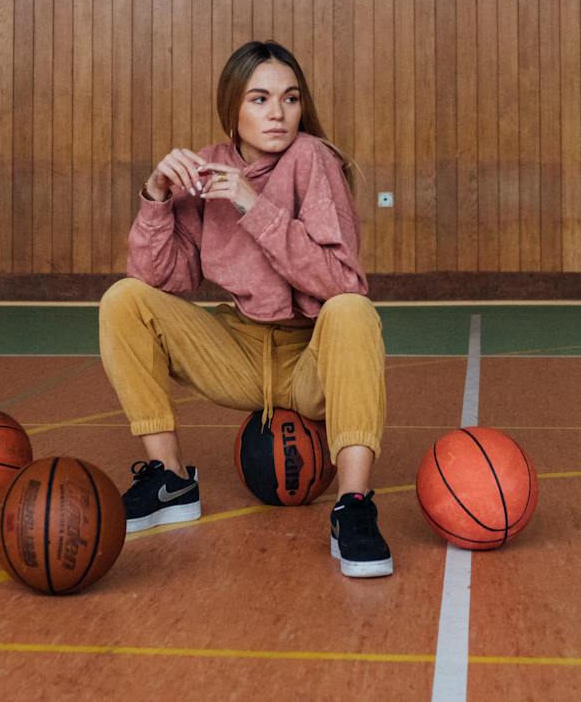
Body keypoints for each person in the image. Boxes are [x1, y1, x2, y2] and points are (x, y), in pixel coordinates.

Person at [97, 40, 392, 578]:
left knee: (352, 310)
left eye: (289, 98)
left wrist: (257, 208)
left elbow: (342, 281)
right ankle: (168, 480)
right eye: (259, 99)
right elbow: (164, 278)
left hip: (311, 358)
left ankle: (354, 507)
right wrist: (157, 194)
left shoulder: (312, 158)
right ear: (232, 105)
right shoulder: (207, 166)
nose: (277, 114)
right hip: (239, 350)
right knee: (124, 299)